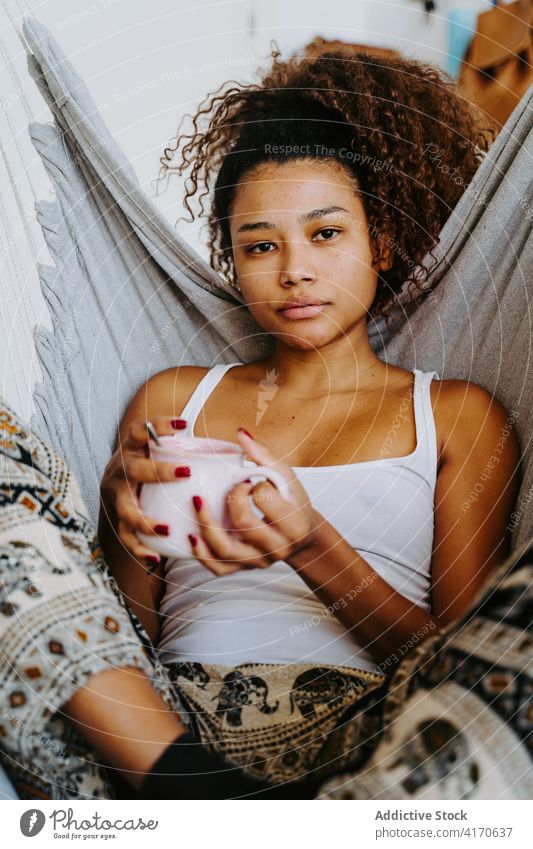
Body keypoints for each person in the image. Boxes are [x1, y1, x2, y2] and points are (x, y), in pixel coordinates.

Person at [98, 43, 521, 790]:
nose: (293, 269)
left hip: (361, 740)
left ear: (379, 242)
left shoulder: (454, 417)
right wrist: (117, 525)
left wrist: (312, 545)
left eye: (325, 234)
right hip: (159, 732)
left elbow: (468, 670)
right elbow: (122, 641)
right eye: (259, 246)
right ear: (232, 263)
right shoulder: (172, 400)